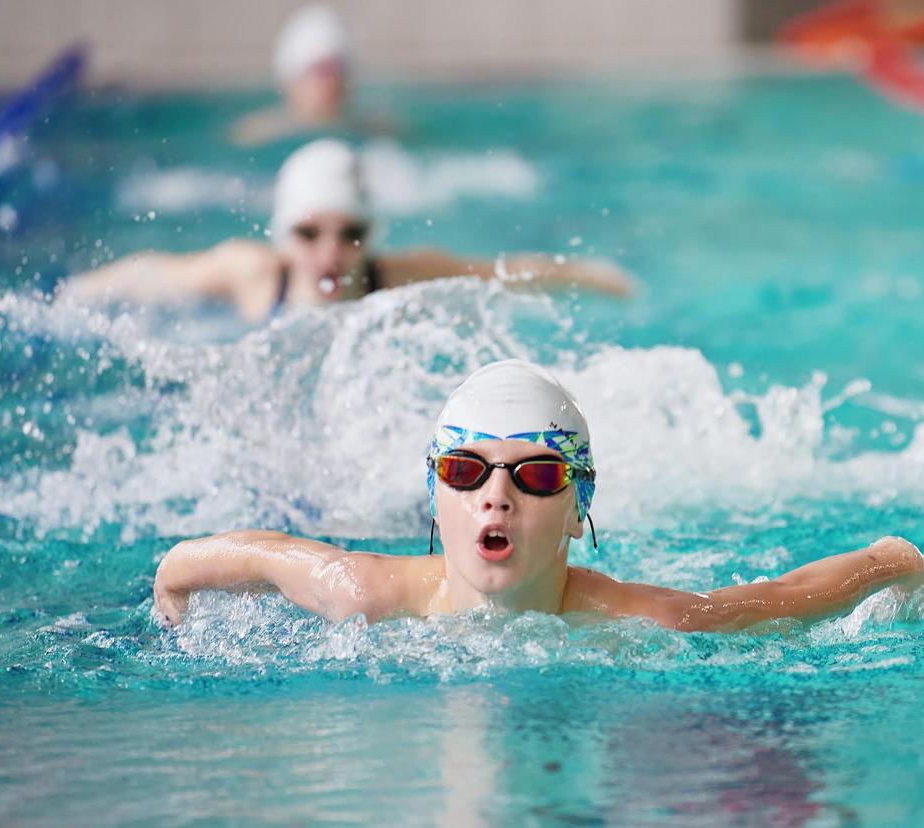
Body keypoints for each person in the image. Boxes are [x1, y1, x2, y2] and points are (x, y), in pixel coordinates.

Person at [153, 359, 924, 629]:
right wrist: (172, 591)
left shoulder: (634, 618)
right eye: (465, 471)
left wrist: (891, 558)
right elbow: (234, 556)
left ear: (578, 507)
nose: (497, 497)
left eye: (536, 474)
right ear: (434, 498)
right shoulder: (364, 593)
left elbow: (775, 600)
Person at [63, 140, 633, 322]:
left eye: (350, 233)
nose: (331, 252)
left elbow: (501, 271)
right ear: (283, 234)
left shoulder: (398, 275)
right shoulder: (256, 273)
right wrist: (74, 296)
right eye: (309, 233)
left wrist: (589, 276)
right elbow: (156, 273)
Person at [229, 4, 388, 146]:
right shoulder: (257, 134)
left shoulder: (377, 131)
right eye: (320, 71)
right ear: (292, 80)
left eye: (337, 69)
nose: (331, 81)